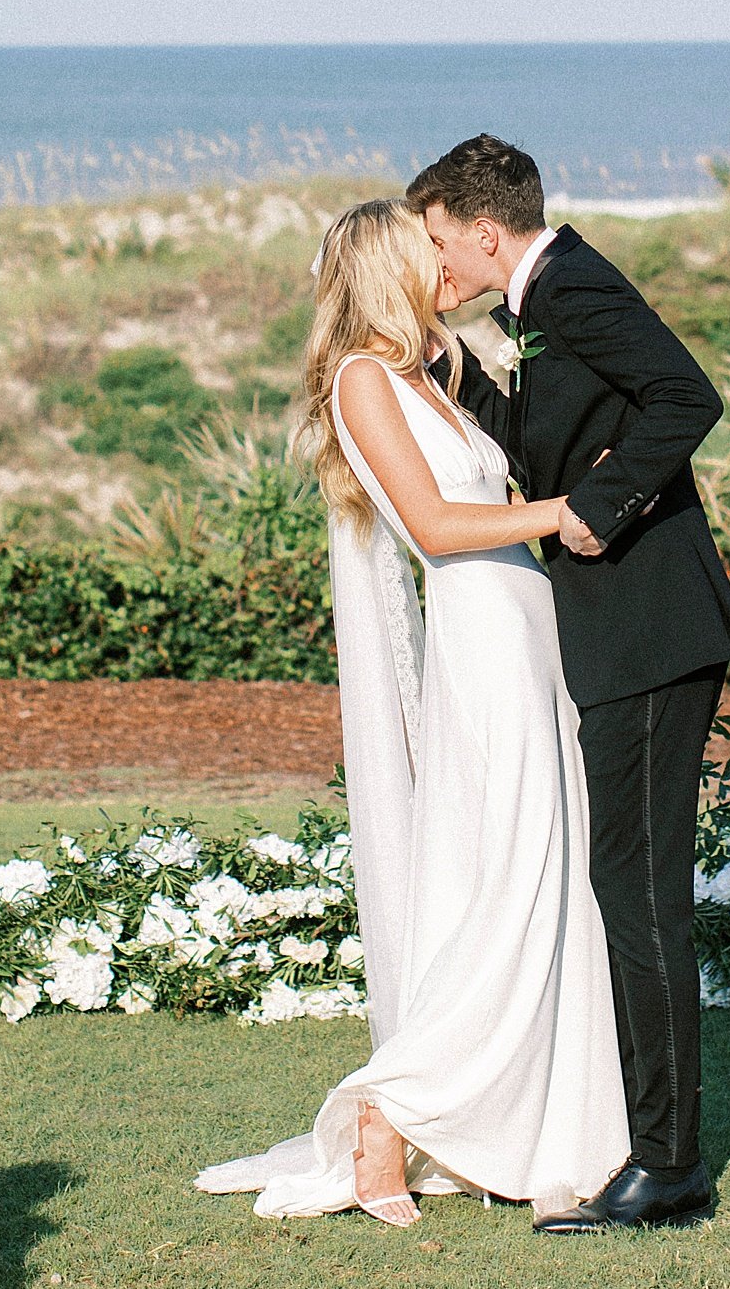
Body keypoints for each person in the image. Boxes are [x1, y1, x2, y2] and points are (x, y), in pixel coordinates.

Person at [197, 199, 629, 1226]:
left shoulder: (423, 376)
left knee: (543, 875)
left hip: (525, 628)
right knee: (506, 878)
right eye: (423, 253)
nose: (444, 263)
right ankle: (391, 1111)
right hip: (481, 630)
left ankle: (524, 1125)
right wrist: (567, 513)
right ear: (385, 267)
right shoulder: (360, 381)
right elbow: (435, 523)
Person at [412, 133, 730, 1231]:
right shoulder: (537, 301)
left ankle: (669, 1166)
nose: (437, 264)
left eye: (438, 243)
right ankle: (649, 1145)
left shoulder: (574, 283)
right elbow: (548, 439)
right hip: (624, 638)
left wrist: (599, 515)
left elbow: (685, 398)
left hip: (650, 631)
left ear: (482, 227)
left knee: (641, 890)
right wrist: (447, 368)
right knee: (628, 885)